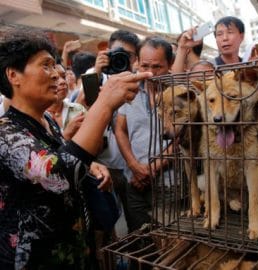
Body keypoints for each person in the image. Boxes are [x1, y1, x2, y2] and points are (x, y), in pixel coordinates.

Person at [0, 27, 152, 269]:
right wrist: (104, 103)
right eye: (46, 65)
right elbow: (56, 175)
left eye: (56, 65)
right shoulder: (6, 133)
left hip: (72, 249)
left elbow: (61, 155)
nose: (57, 73)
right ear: (13, 75)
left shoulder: (46, 121)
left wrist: (91, 164)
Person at [83, 30, 140, 234]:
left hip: (135, 165)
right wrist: (96, 71)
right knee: (110, 224)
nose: (122, 59)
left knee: (136, 224)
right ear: (107, 53)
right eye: (117, 53)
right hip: (105, 166)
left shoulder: (141, 80)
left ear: (136, 58)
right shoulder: (97, 80)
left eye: (129, 55)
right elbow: (83, 107)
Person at [114, 36, 174, 233]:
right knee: (140, 240)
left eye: (157, 66)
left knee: (170, 241)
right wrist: (133, 165)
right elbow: (120, 130)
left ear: (170, 64)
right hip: (134, 183)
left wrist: (152, 168)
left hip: (169, 184)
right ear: (137, 62)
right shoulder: (128, 90)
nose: (150, 72)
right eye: (144, 65)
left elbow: (183, 138)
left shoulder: (180, 91)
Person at [46, 60, 86, 140]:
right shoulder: (37, 116)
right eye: (55, 78)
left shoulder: (78, 109)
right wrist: (66, 134)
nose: (63, 82)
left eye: (64, 77)